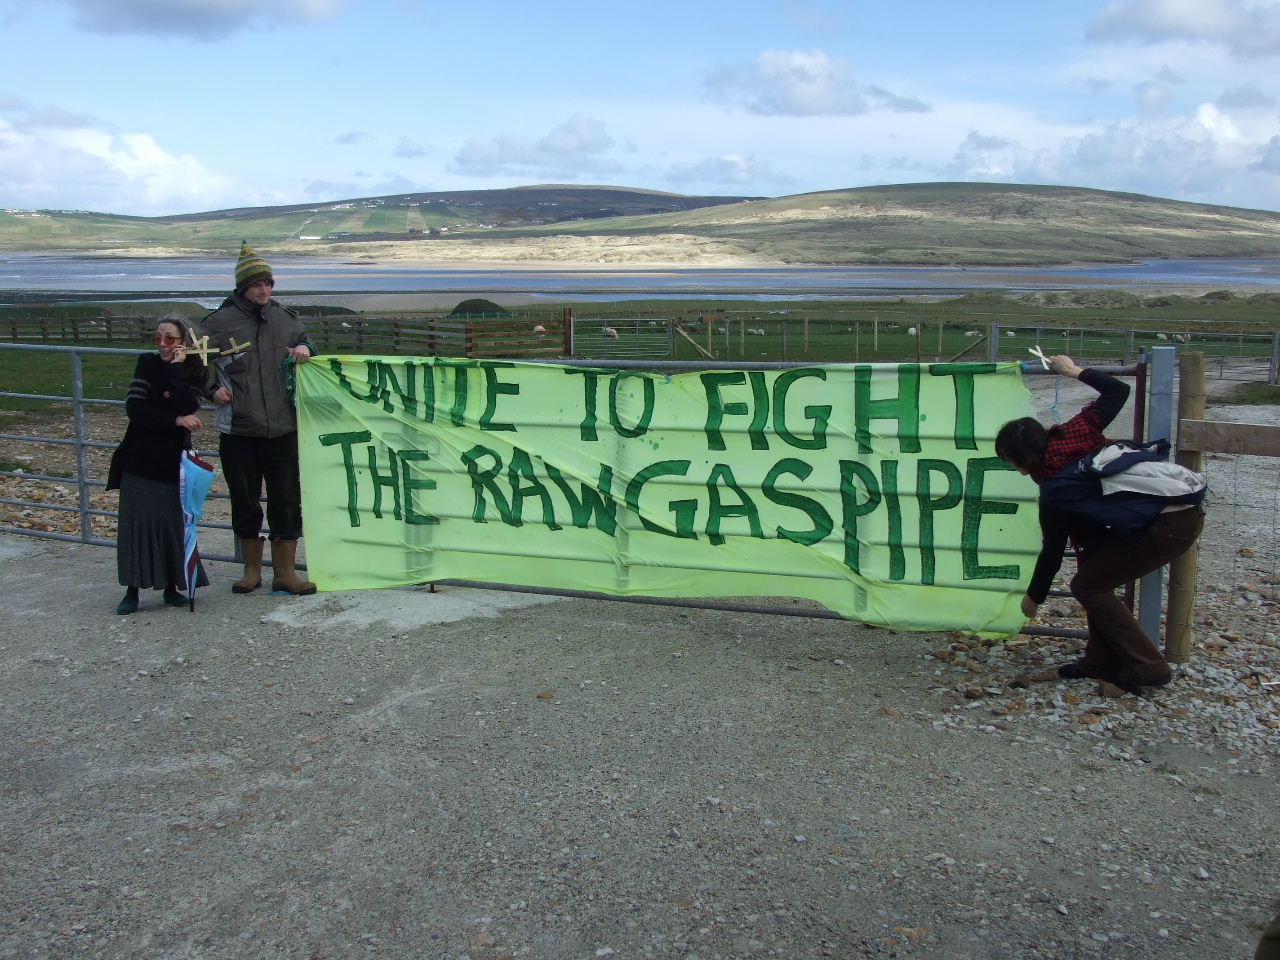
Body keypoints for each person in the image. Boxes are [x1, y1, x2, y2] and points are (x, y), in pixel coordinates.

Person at [994, 354, 1205, 693]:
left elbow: (1053, 548)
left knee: (1088, 585)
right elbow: (1117, 391)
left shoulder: (1056, 487)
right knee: (1093, 568)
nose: (1010, 467)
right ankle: (1099, 660)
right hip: (1178, 513)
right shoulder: (1078, 430)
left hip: (1166, 527)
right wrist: (1073, 370)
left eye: (1007, 460)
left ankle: (1147, 667)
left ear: (1023, 459)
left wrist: (1034, 597)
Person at [200, 243, 317, 596]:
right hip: (239, 428)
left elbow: (306, 340)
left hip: (283, 427)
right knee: (245, 498)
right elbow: (193, 362)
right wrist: (210, 389)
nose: (264, 290)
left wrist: (308, 347)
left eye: (268, 283)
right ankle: (251, 571)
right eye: (256, 285)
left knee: (286, 498)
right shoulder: (218, 323)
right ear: (242, 287)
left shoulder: (286, 318)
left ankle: (285, 573)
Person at [110, 313, 208, 614]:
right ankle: (132, 590)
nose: (163, 344)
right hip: (140, 456)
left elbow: (189, 404)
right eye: (158, 338)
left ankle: (171, 587)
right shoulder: (147, 364)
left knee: (171, 524)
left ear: (184, 342)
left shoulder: (194, 370)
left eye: (170, 339)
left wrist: (176, 370)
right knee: (136, 524)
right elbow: (135, 408)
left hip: (173, 460)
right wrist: (174, 419)